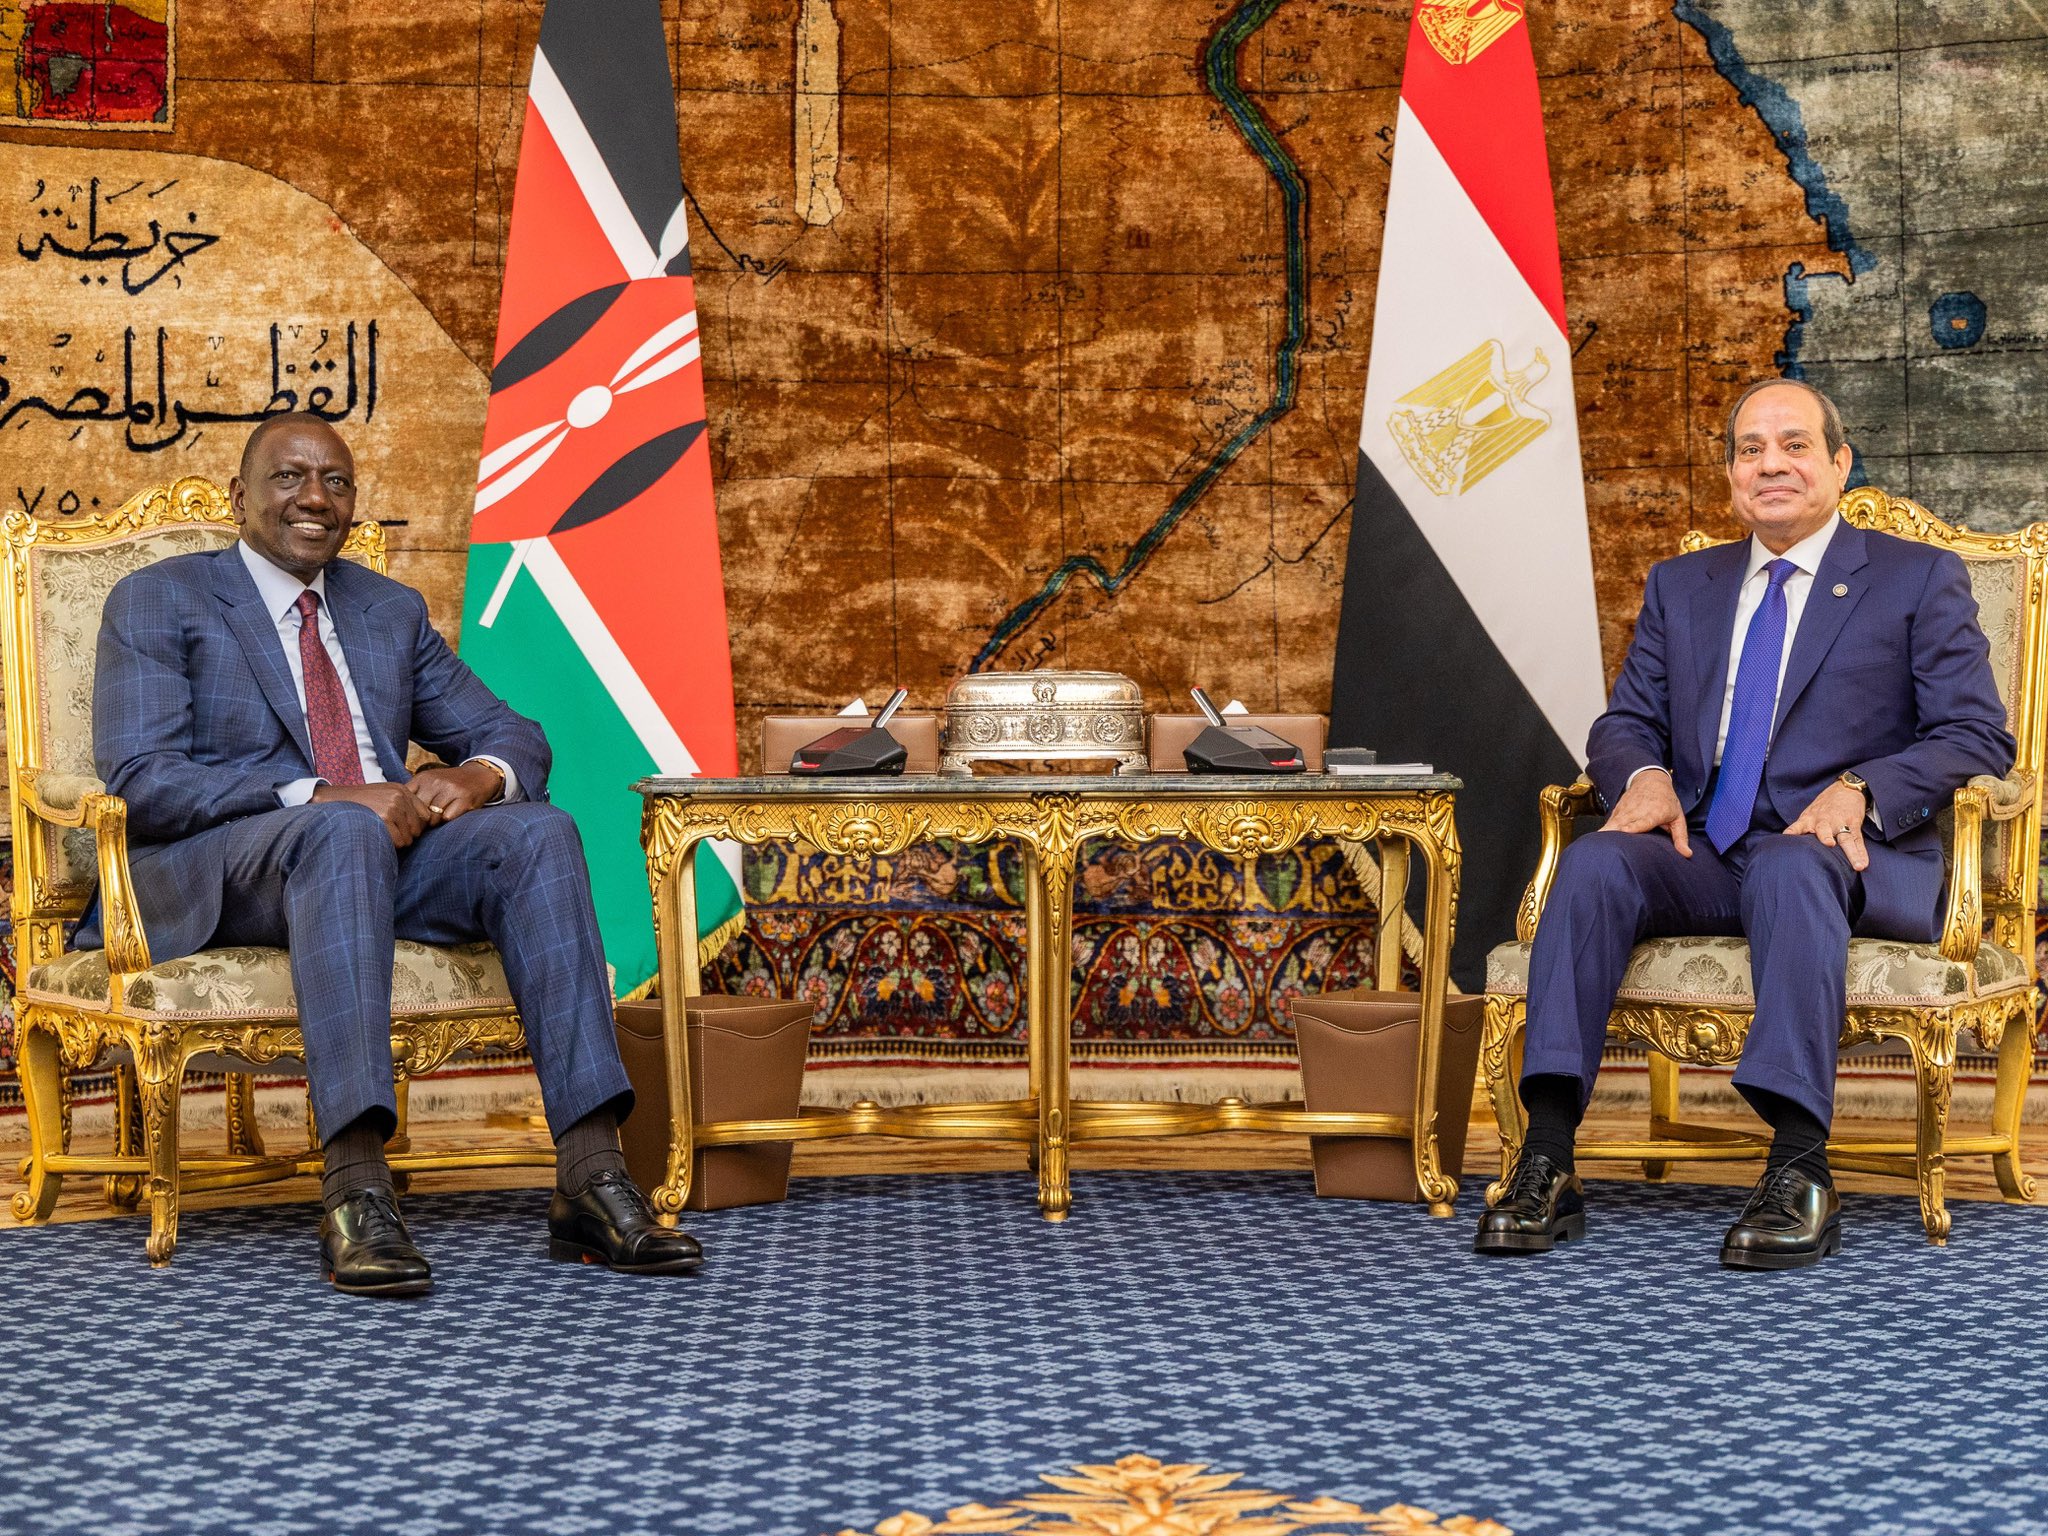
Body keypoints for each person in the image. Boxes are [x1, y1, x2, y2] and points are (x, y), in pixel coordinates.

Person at [89, 414, 704, 1296]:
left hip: (378, 860)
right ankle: (355, 1188)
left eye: (336, 482)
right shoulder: (161, 599)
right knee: (343, 830)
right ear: (240, 497)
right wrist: (324, 795)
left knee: (539, 830)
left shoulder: (385, 609)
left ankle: (592, 1176)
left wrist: (479, 777)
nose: (314, 497)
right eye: (289, 477)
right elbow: (144, 779)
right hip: (229, 868)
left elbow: (511, 733)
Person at [1474, 380, 2014, 1269]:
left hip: (1843, 854)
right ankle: (1548, 1158)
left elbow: (1975, 731)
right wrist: (1641, 777)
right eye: (1750, 449)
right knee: (1597, 863)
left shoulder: (1916, 579)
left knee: (1791, 867)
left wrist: (1863, 790)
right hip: (1707, 848)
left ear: (1839, 464)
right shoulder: (1685, 584)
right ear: (1731, 475)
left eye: (1795, 445)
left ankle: (1801, 1167)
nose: (1772, 464)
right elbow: (1623, 721)